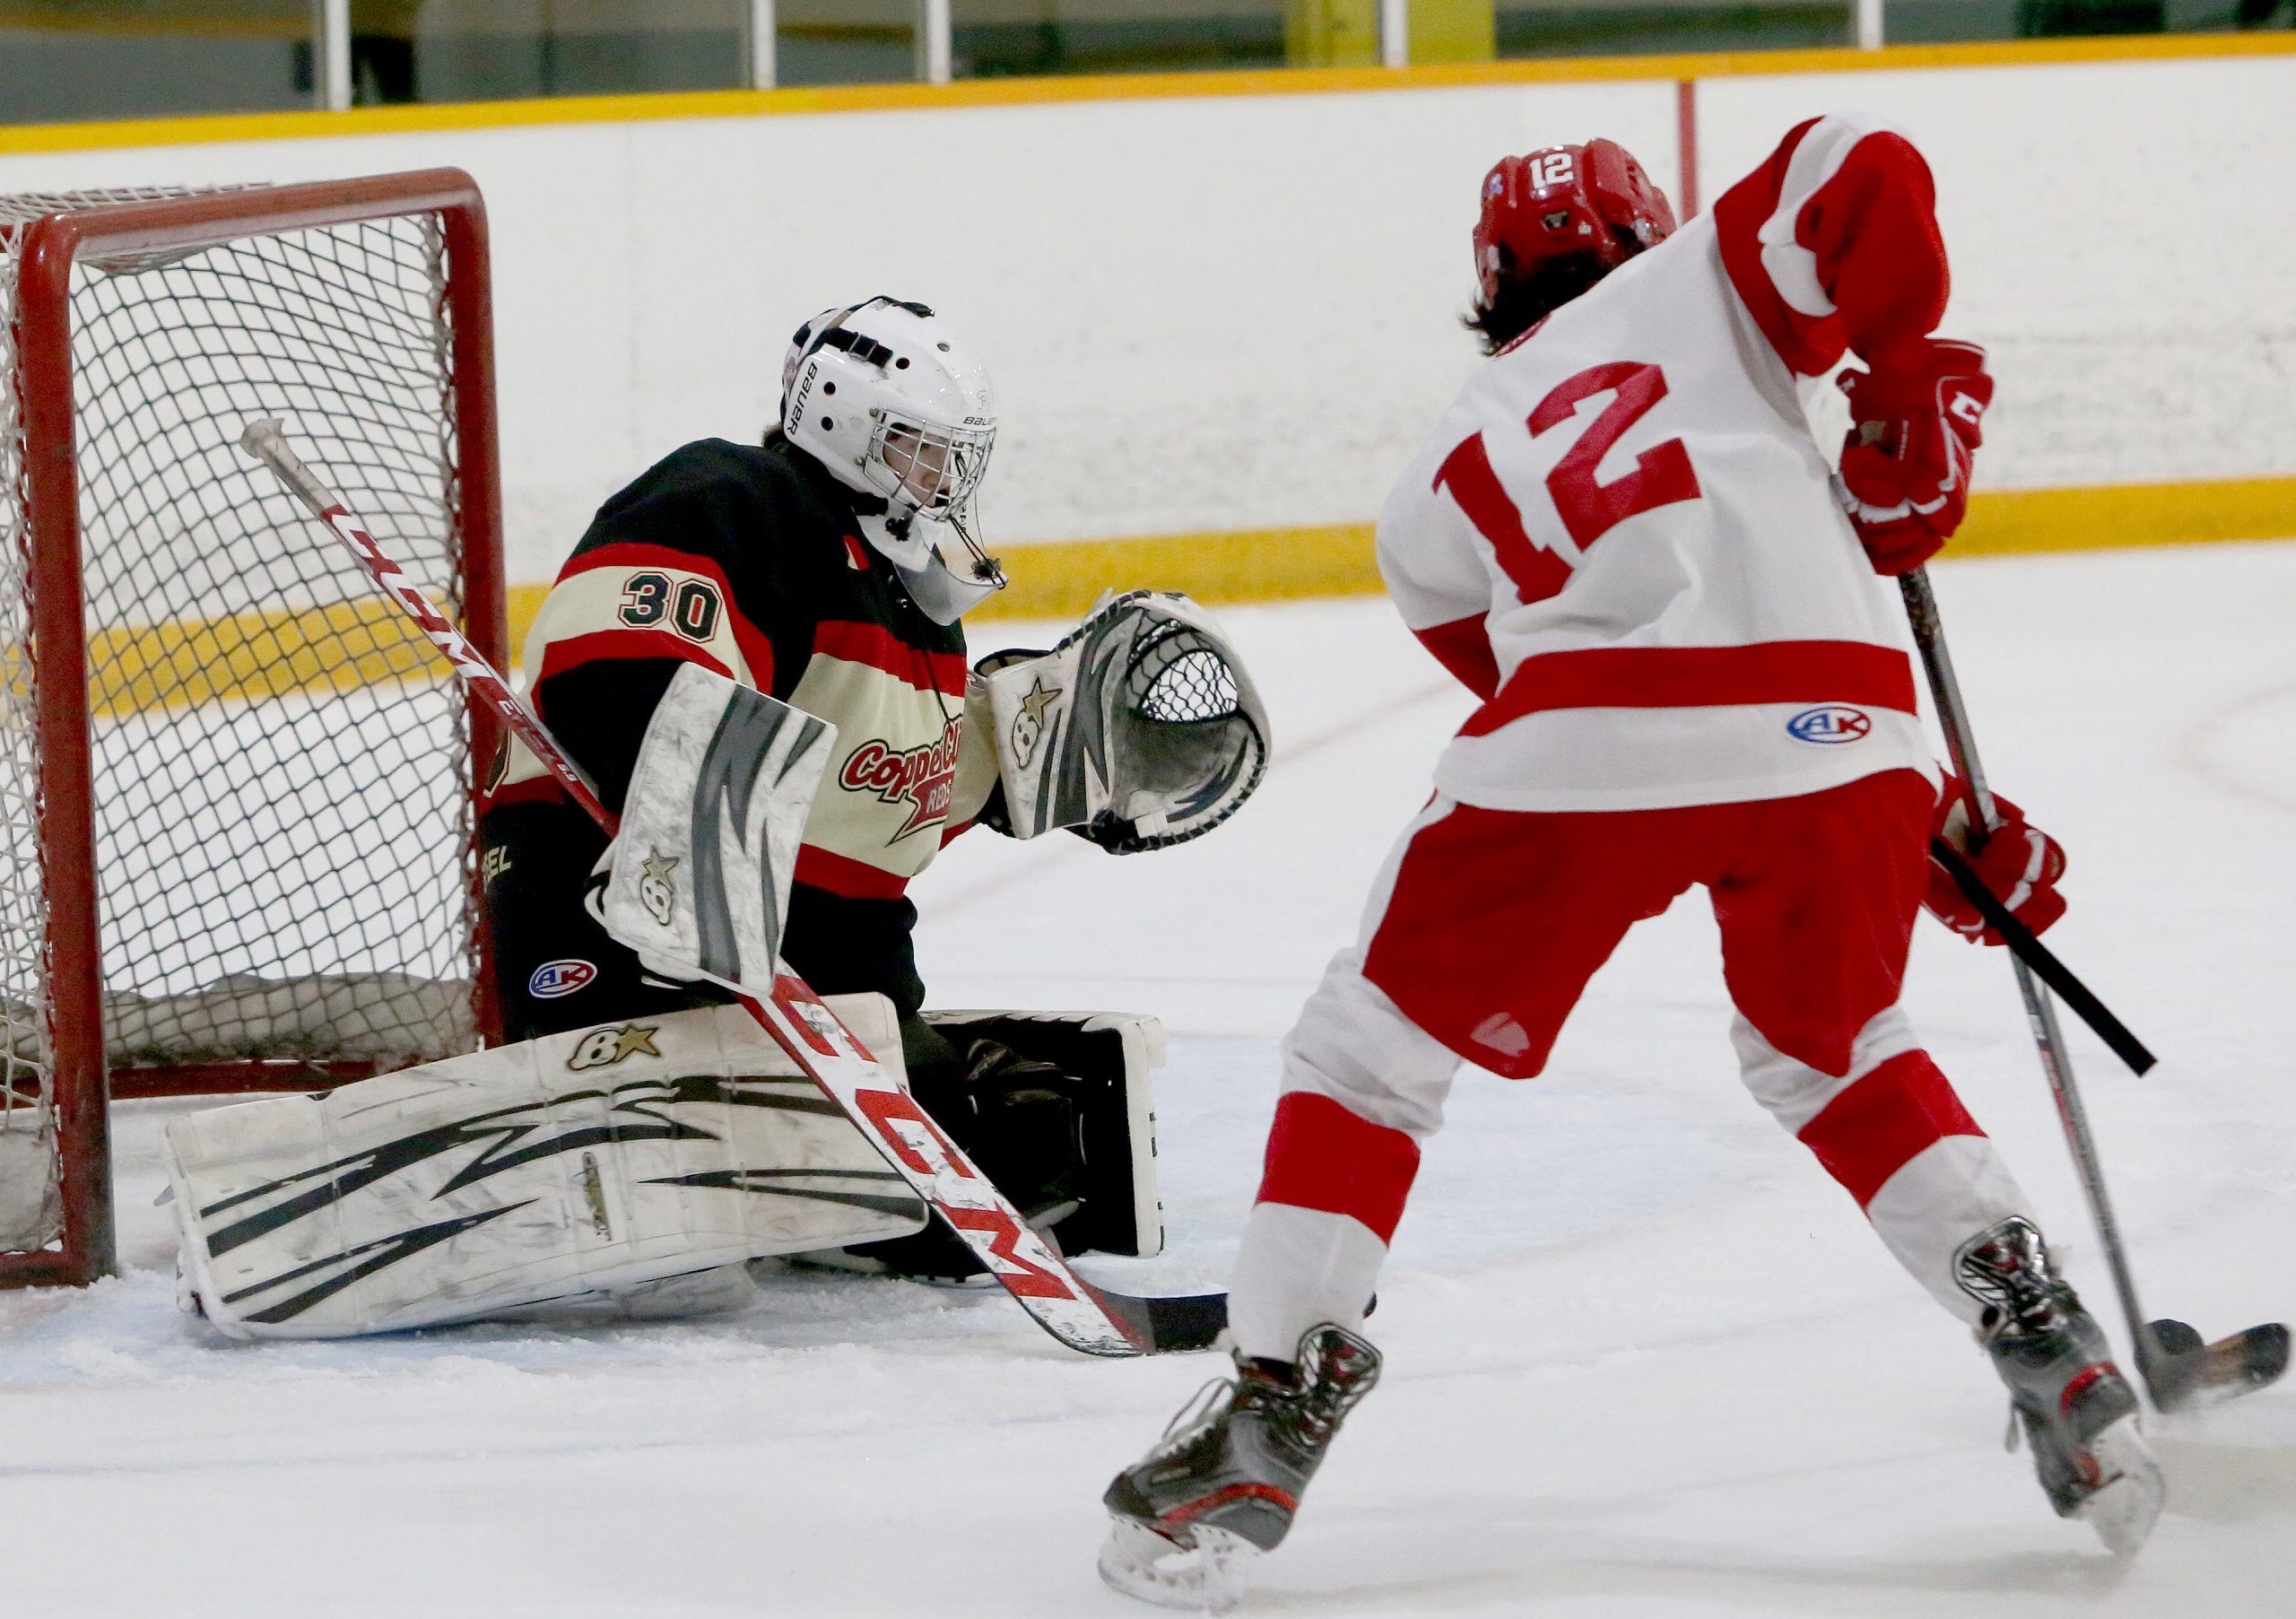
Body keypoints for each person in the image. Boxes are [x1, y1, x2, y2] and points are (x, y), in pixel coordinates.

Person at [1096, 118, 2162, 1612]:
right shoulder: (1721, 282)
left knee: (1369, 1054)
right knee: (1838, 1046)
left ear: (1487, 288)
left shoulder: (1426, 492)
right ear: (1648, 230)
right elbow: (1863, 161)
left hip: (1591, 743)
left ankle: (1272, 1407)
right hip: (1850, 734)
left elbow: (1592, 690)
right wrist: (1906, 383)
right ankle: (2031, 1311)